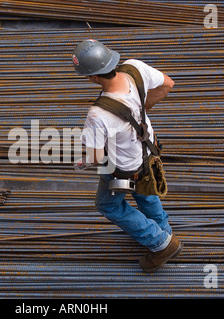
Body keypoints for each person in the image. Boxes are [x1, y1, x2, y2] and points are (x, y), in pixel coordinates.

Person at [72, 39, 182, 272]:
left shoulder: (99, 113)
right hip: (149, 151)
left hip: (123, 169)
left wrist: (82, 163)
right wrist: (138, 113)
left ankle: (160, 242)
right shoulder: (135, 68)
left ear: (93, 77)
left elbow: (95, 157)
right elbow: (168, 84)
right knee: (146, 190)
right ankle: (165, 231)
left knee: (108, 205)